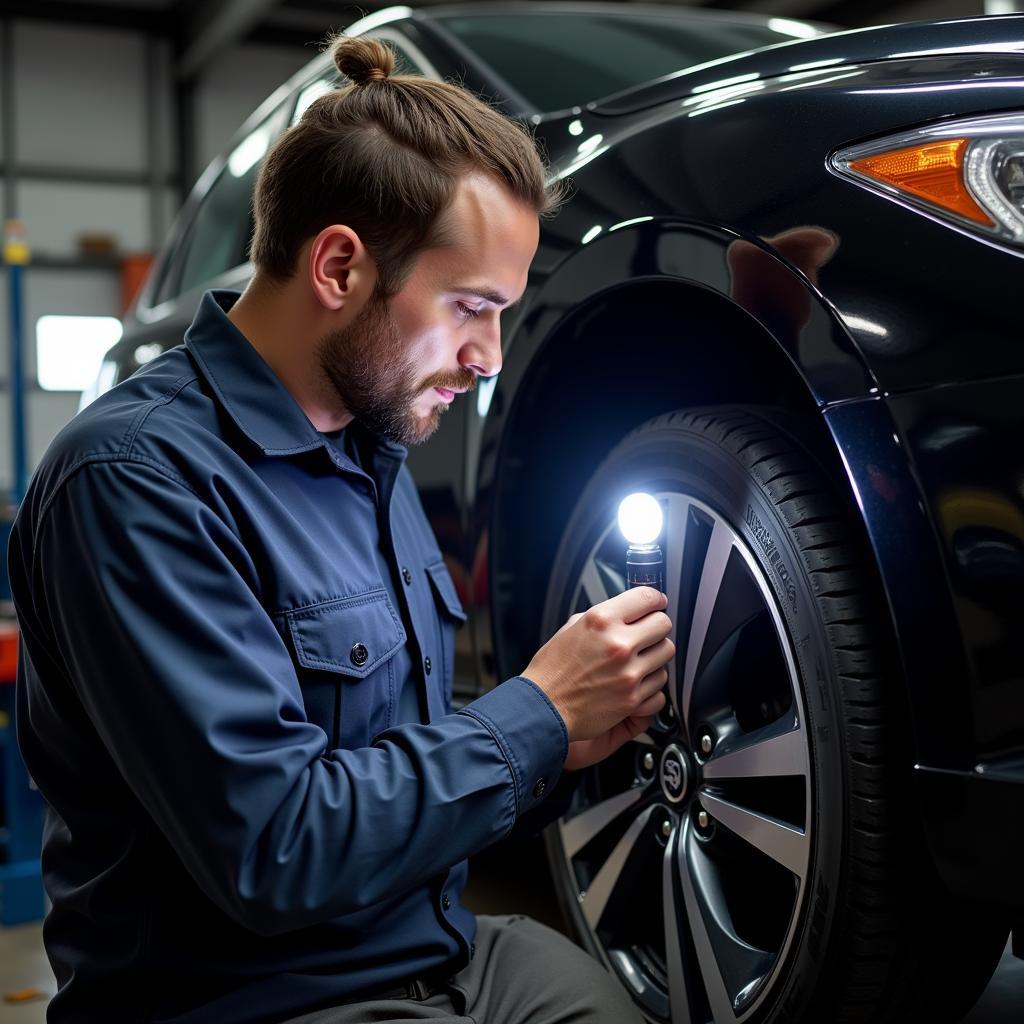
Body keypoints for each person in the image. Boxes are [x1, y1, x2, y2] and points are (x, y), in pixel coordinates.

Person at [8, 36, 674, 1024]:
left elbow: (397, 769)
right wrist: (533, 712)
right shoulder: (138, 483)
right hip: (250, 998)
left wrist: (564, 742)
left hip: (442, 947)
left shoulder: (371, 449)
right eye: (469, 307)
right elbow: (277, 848)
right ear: (338, 268)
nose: (489, 356)